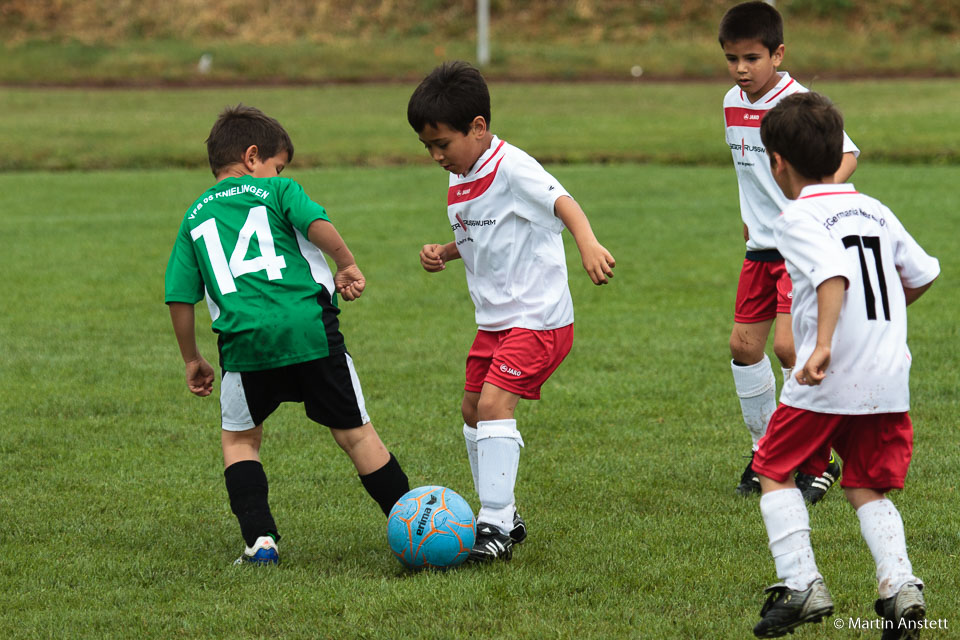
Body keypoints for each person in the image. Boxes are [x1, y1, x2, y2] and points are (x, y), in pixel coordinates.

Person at [164, 104, 409, 565]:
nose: (279, 173)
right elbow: (317, 225)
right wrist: (347, 263)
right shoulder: (277, 190)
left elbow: (180, 297)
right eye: (278, 165)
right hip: (309, 329)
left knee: (240, 441)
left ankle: (259, 542)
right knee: (356, 435)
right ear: (253, 157)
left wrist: (192, 358)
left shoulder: (193, 217)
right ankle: (413, 523)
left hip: (243, 342)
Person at [407, 61, 616, 562]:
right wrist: (446, 250)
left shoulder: (510, 165)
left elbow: (562, 201)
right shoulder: (461, 173)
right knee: (471, 409)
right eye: (428, 147)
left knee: (496, 406)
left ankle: (495, 524)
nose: (436, 156)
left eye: (443, 144)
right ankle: (505, 513)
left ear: (478, 128)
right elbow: (483, 232)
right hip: (494, 323)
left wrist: (587, 243)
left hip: (538, 318)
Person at [749, 91, 939, 638]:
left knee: (773, 469)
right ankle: (900, 586)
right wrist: (878, 325)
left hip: (827, 376)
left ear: (778, 162)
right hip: (887, 375)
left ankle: (801, 583)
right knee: (864, 485)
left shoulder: (796, 216)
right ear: (837, 155)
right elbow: (922, 274)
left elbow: (833, 273)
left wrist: (826, 342)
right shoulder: (875, 208)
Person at [719, 1, 860, 502]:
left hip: (798, 246)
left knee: (788, 348)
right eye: (732, 58)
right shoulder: (730, 103)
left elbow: (847, 154)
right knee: (743, 348)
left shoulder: (800, 103)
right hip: (761, 246)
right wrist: (748, 216)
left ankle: (818, 461)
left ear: (778, 54)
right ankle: (766, 455)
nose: (741, 69)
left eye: (752, 58)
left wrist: (813, 202)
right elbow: (750, 170)